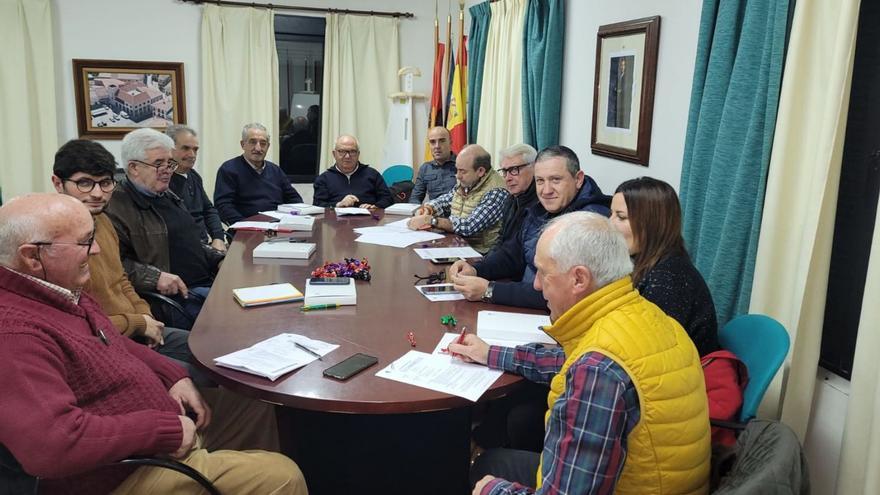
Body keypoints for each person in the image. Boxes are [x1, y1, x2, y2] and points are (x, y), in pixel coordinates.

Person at [0, 194, 307, 495]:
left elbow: (111, 339)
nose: (95, 250)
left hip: (159, 437)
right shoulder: (14, 334)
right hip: (121, 473)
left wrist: (173, 375)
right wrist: (164, 430)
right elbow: (53, 445)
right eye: (83, 242)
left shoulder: (57, 290)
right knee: (282, 476)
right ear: (31, 256)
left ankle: (224, 473)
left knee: (251, 401)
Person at [450, 211, 711, 495]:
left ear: (578, 279)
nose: (537, 284)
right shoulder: (650, 318)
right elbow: (569, 360)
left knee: (482, 473)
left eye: (543, 273)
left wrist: (492, 491)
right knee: (493, 460)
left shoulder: (598, 371)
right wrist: (491, 353)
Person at [449, 146, 610, 308]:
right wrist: (475, 270)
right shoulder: (538, 209)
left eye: (555, 180)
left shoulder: (591, 223)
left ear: (578, 179)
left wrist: (490, 290)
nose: (546, 190)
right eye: (540, 181)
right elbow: (512, 255)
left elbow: (561, 292)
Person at [106, 129, 224, 329]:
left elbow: (189, 242)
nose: (168, 170)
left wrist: (218, 258)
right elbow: (114, 265)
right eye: (158, 163)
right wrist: (155, 277)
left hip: (206, 283)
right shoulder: (114, 206)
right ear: (133, 167)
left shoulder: (166, 195)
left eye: (169, 163)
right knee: (241, 324)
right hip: (177, 298)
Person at [610, 177, 720, 356]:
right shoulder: (643, 262)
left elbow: (643, 350)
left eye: (621, 217)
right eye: (611, 214)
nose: (610, 223)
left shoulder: (668, 279)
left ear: (652, 224)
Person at [407, 144, 509, 254]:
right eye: (457, 170)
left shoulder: (497, 191)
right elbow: (445, 200)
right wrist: (429, 208)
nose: (458, 176)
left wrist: (431, 220)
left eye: (462, 171)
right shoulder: (470, 181)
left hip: (479, 254)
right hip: (457, 244)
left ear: (480, 171)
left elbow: (469, 226)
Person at [214, 122, 304, 224]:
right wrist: (245, 226)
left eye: (263, 143)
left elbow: (294, 198)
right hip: (245, 230)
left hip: (277, 227)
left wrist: (292, 218)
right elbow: (223, 206)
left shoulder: (275, 170)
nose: (258, 148)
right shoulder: (229, 169)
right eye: (253, 142)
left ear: (268, 146)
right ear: (243, 144)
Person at [166, 124, 227, 252]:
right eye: (186, 148)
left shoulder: (193, 176)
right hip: (185, 250)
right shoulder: (163, 181)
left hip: (206, 246)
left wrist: (218, 238)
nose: (192, 154)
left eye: (195, 149)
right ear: (169, 149)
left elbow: (209, 210)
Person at [312, 134, 393, 209]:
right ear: (334, 154)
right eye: (342, 151)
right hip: (336, 222)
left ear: (358, 154)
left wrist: (375, 207)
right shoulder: (323, 179)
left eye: (352, 151)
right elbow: (318, 206)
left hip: (369, 221)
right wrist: (338, 205)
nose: (347, 156)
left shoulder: (372, 174)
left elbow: (388, 199)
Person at [491, 143, 538, 252]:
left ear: (534, 168)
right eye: (504, 171)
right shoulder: (510, 200)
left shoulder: (543, 204)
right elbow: (501, 240)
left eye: (514, 170)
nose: (507, 178)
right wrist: (484, 264)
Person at [410, 126, 457, 203]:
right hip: (434, 212)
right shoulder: (425, 168)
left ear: (450, 143)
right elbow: (415, 198)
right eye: (432, 142)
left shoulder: (462, 165)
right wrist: (418, 211)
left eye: (442, 141)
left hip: (457, 213)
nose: (437, 146)